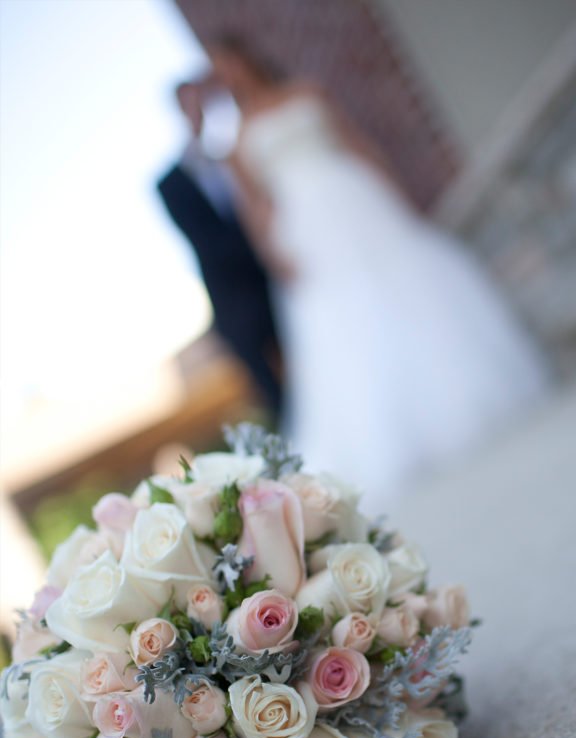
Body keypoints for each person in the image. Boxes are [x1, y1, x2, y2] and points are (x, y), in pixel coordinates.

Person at [205, 38, 549, 511]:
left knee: (409, 288)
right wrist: (273, 253)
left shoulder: (307, 92)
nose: (230, 77)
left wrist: (395, 194)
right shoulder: (237, 137)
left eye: (230, 64)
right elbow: (254, 206)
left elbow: (358, 145)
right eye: (219, 72)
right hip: (304, 226)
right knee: (346, 318)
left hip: (354, 198)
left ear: (247, 59)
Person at [157, 80, 283, 418]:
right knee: (274, 391)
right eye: (190, 105)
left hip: (276, 274)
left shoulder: (237, 156)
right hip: (235, 296)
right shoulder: (169, 183)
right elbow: (204, 240)